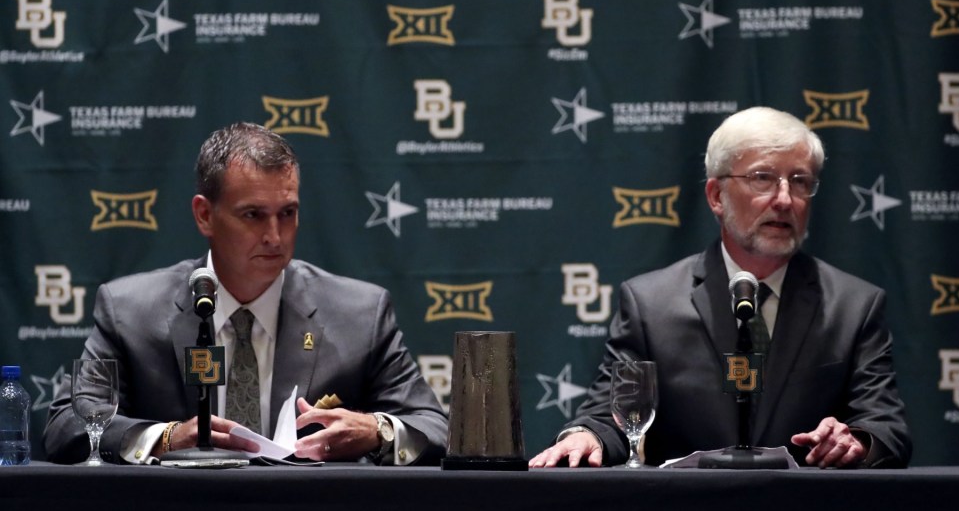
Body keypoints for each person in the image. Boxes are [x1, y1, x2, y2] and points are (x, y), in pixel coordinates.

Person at [43, 122, 448, 465]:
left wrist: (377, 430)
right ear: (205, 215)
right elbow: (67, 423)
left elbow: (436, 427)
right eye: (253, 215)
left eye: (287, 213)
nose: (275, 237)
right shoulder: (130, 312)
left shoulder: (359, 315)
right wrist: (165, 439)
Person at [530, 106, 911, 469]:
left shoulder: (854, 306)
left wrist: (856, 441)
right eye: (762, 178)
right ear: (716, 196)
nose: (784, 199)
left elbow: (886, 429)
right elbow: (612, 416)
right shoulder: (650, 304)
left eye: (800, 181)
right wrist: (587, 437)